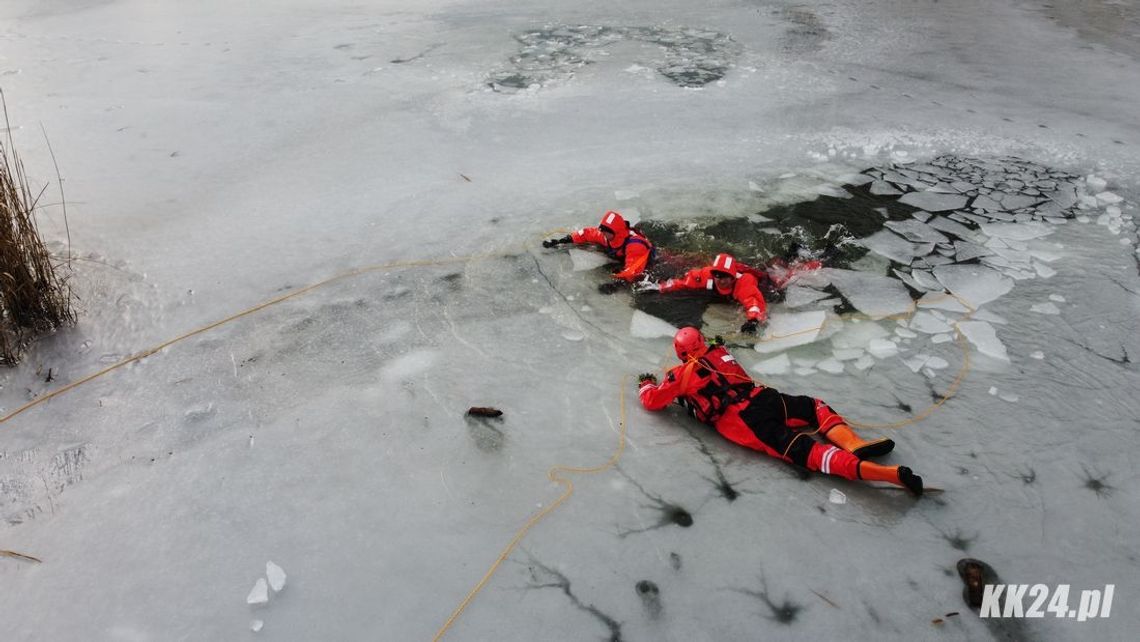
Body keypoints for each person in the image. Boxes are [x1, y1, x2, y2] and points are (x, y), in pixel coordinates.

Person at [638, 327, 923, 495]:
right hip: (765, 398)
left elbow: (653, 401)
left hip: (746, 421)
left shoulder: (680, 375)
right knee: (813, 407)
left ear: (679, 352)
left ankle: (888, 474)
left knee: (810, 454)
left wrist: (646, 384)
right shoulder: (720, 352)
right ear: (702, 341)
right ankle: (855, 443)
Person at [636, 253, 769, 335]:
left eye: (724, 276)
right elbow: (683, 283)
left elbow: (754, 303)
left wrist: (753, 320)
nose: (720, 280)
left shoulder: (744, 283)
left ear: (733, 277)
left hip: (762, 286)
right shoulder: (706, 275)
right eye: (717, 275)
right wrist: (659, 288)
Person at [542, 210, 655, 294]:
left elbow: (633, 272)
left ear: (616, 231)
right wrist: (563, 240)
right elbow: (587, 233)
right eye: (602, 230)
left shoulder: (635, 246)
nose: (603, 233)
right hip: (623, 255)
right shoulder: (608, 236)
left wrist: (615, 285)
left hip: (648, 263)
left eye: (606, 231)